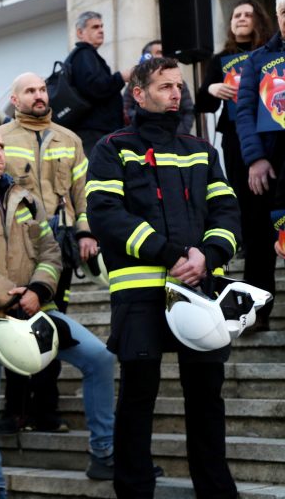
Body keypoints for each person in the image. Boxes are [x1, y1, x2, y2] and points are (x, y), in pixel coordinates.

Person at [86, 57, 241, 498]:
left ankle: (217, 492)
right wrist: (170, 253)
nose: (176, 94)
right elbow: (105, 214)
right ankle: (134, 492)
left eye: (178, 86)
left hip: (200, 290)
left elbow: (227, 211)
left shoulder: (202, 149)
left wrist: (209, 255)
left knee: (207, 399)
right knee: (137, 399)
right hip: (140, 295)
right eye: (164, 86)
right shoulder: (112, 147)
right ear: (139, 94)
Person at [0, 125, 115, 497]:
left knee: (99, 357)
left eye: (1, 146)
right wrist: (10, 296)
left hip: (37, 310)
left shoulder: (28, 199)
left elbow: (51, 252)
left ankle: (104, 452)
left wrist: (37, 290)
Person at [0, 71, 98, 441]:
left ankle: (46, 409)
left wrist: (85, 231)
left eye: (42, 89)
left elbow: (83, 192)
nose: (39, 95)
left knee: (51, 324)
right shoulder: (0, 138)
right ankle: (16, 409)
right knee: (16, 323)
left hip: (60, 246)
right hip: (15, 248)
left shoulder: (70, 139)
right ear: (15, 99)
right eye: (30, 91)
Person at [210, 0, 276, 332]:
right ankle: (256, 310)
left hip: (271, 143)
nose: (241, 19)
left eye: (248, 14)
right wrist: (211, 87)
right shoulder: (223, 58)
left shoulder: (268, 54)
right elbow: (204, 101)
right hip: (244, 148)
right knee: (255, 225)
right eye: (236, 15)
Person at [68, 11, 132, 155]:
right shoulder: (83, 54)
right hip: (94, 132)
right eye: (95, 27)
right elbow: (94, 88)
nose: (101, 30)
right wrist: (121, 77)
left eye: (102, 26)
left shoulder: (87, 55)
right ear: (80, 32)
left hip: (99, 131)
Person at [124, 40, 195, 134]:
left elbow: (188, 111)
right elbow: (127, 110)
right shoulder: (134, 83)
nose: (176, 95)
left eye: (179, 87)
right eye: (159, 52)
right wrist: (147, 124)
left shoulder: (179, 82)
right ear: (147, 56)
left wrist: (178, 134)